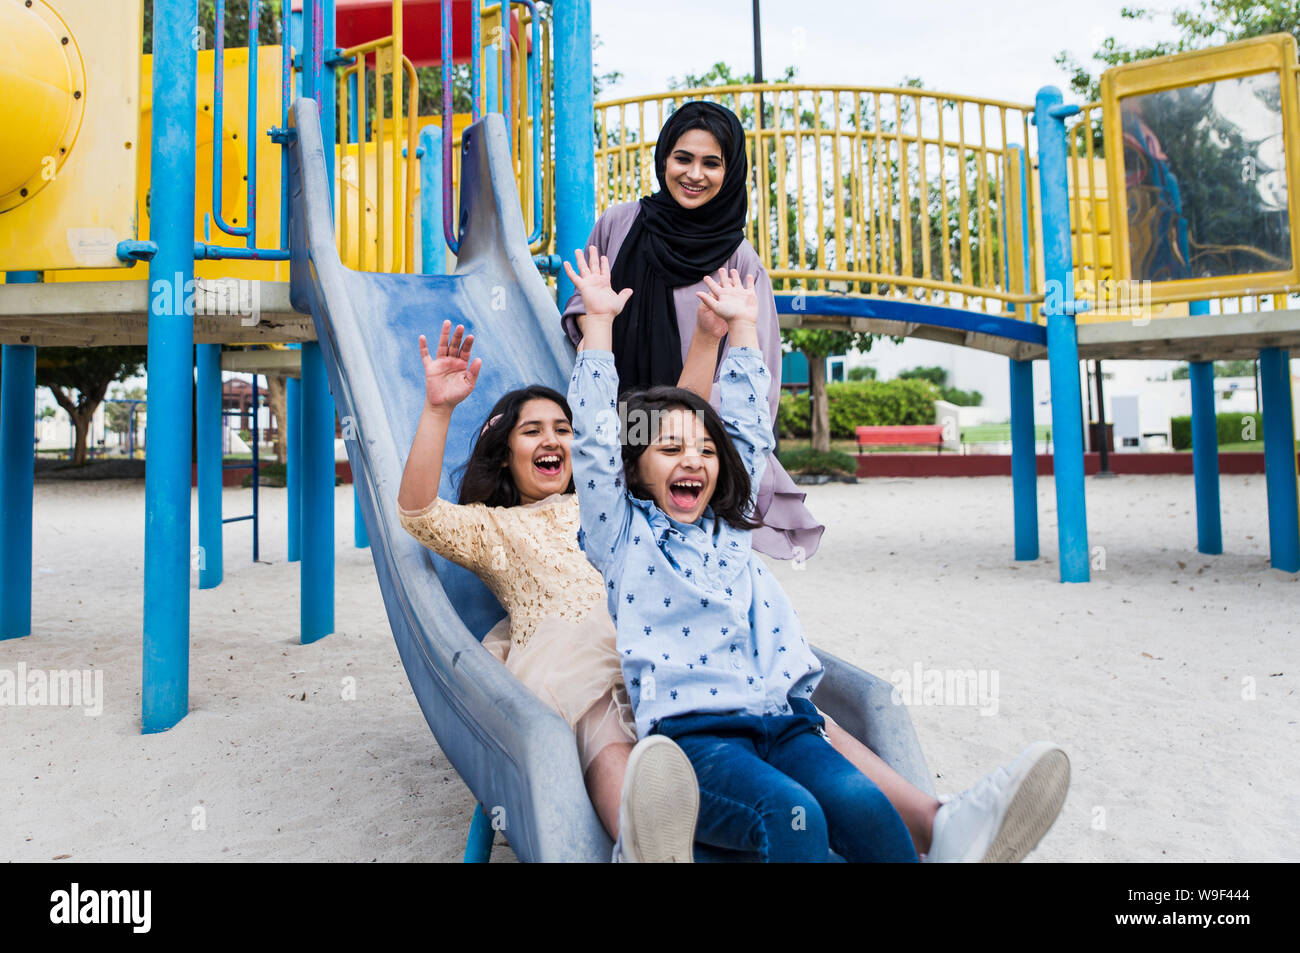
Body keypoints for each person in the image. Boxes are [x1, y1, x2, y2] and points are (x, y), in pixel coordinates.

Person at [399, 315, 1069, 862]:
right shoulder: (508, 526)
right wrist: (437, 410)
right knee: (614, 738)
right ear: (507, 455)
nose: (554, 440)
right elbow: (420, 512)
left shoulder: (648, 505)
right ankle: (639, 842)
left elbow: (680, 424)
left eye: (564, 428)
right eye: (532, 431)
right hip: (583, 655)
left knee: (790, 712)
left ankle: (934, 820)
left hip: (684, 651)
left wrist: (711, 339)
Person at [564, 247, 1070, 861]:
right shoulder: (623, 537)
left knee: (865, 806)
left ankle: (945, 841)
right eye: (669, 450)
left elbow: (749, 431)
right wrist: (598, 328)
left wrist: (745, 328)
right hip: (695, 741)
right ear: (636, 472)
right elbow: (593, 441)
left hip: (784, 722)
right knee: (791, 812)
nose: (692, 459)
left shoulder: (730, 526)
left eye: (703, 449)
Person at [560, 100, 823, 562]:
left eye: (711, 163)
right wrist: (596, 322)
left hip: (691, 446)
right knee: (607, 556)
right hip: (614, 428)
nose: (694, 174)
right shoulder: (620, 224)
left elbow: (754, 373)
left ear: (731, 170)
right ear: (664, 159)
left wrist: (672, 433)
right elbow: (583, 309)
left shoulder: (740, 259)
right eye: (683, 158)